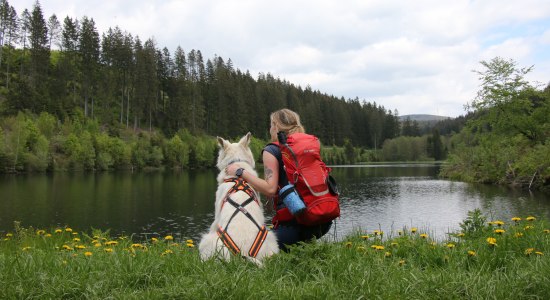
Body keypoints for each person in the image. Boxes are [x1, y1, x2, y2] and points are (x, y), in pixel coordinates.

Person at [226, 108, 332, 251]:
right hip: (322, 221)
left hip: (295, 224)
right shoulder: (309, 145)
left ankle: (295, 242)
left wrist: (240, 171)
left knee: (252, 247)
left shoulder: (272, 150)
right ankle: (304, 245)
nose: (270, 129)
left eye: (271, 125)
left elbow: (270, 189)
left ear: (275, 126)